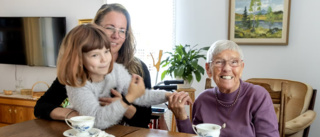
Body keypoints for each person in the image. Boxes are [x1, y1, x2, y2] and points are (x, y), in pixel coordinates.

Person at [34, 3, 153, 128]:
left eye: (122, 30)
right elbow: (41, 107)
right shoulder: (79, 66)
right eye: (110, 28)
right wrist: (72, 114)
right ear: (96, 28)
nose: (116, 36)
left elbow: (144, 120)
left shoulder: (138, 68)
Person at [57, 23, 171, 129]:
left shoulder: (115, 71)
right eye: (95, 55)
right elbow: (97, 120)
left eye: (106, 51)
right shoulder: (77, 84)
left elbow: (142, 96)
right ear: (79, 59)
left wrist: (168, 96)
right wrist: (128, 99)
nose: (104, 59)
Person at [168, 40, 279, 137]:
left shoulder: (258, 96)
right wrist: (181, 116)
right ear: (208, 69)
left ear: (241, 67)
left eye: (234, 62)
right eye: (219, 62)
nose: (226, 68)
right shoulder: (203, 100)